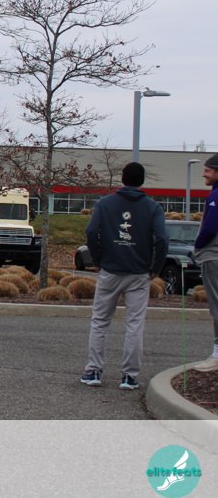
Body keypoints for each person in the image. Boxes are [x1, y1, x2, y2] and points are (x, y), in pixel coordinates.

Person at [80, 162, 168, 390]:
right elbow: (162, 238)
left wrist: (97, 260)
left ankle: (93, 371)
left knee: (100, 322)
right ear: (143, 180)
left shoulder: (105, 203)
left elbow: (91, 231)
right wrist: (155, 268)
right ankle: (129, 376)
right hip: (139, 273)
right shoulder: (153, 208)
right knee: (134, 325)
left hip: (110, 270)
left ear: (122, 178)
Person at [191, 153, 218, 372]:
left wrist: (198, 245)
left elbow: (209, 228)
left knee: (217, 307)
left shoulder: (215, 195)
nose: (203, 174)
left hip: (214, 257)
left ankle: (217, 355)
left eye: (207, 170)